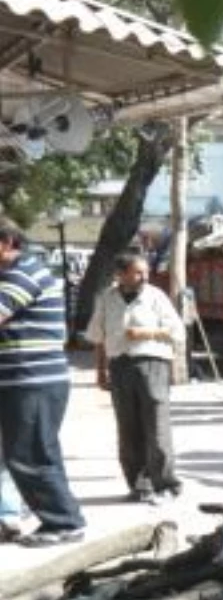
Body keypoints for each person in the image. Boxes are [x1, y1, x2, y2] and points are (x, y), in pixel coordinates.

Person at [0, 224, 85, 546]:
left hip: (32, 380)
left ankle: (63, 521)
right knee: (33, 451)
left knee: (29, 454)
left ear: (7, 242)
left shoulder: (22, 274)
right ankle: (59, 518)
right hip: (23, 379)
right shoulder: (15, 273)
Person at [87, 251, 186, 503]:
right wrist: (100, 370)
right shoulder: (107, 299)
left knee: (157, 426)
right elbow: (98, 337)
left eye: (145, 272)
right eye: (137, 272)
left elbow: (177, 332)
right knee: (128, 429)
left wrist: (146, 332)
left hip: (152, 363)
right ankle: (139, 485)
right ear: (121, 274)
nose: (144, 276)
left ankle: (165, 485)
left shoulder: (155, 297)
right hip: (120, 365)